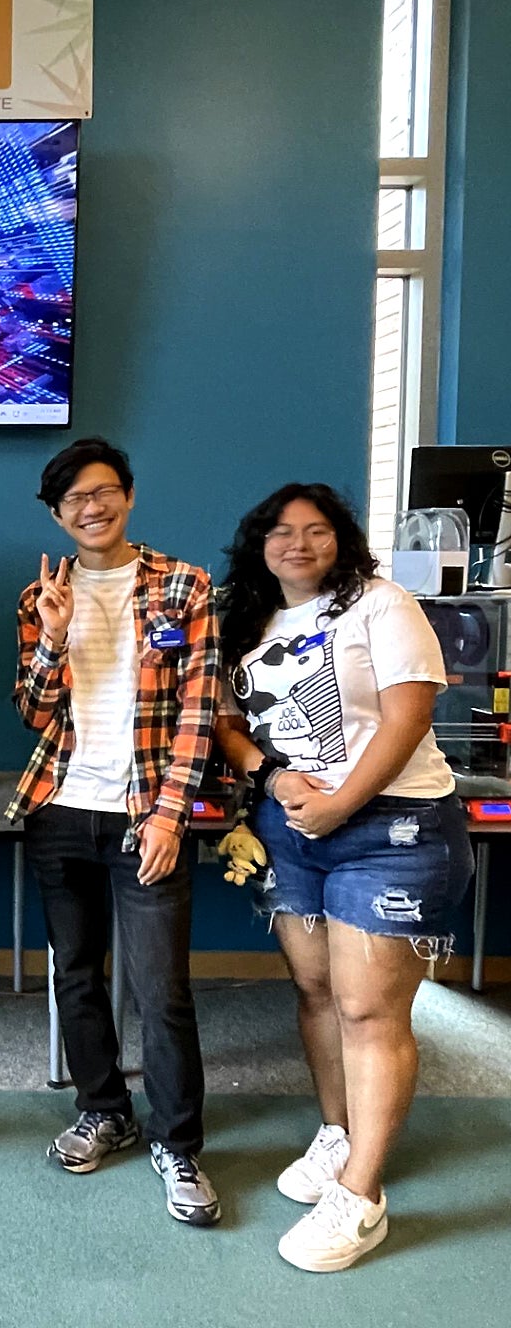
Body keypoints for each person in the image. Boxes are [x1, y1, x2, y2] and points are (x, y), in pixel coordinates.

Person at [215, 482, 472, 1272]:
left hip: (391, 826)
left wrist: (340, 804)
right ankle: (338, 1134)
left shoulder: (382, 605)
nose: (299, 544)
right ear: (260, 543)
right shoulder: (246, 620)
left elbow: (408, 716)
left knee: (368, 1008)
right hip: (291, 830)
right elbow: (224, 722)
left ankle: (363, 1197)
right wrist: (273, 777)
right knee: (318, 991)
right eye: (281, 532)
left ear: (342, 539)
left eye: (317, 531)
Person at [6, 437, 222, 1226]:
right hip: (60, 808)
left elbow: (200, 709)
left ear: (127, 495)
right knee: (77, 975)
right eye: (73, 500)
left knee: (162, 991)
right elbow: (32, 710)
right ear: (57, 515)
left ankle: (178, 1143)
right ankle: (106, 1110)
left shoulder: (184, 585)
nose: (90, 508)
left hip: (145, 812)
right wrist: (56, 637)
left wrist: (169, 813)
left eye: (102, 492)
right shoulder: (40, 599)